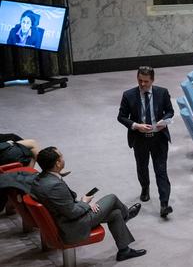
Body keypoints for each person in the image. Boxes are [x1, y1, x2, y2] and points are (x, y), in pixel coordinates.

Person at [31, 147, 145, 261]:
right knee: (112, 198)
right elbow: (72, 213)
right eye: (61, 157)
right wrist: (85, 203)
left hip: (62, 219)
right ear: (57, 163)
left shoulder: (39, 180)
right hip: (73, 224)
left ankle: (124, 251)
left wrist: (81, 203)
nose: (63, 158)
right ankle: (127, 215)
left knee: (115, 213)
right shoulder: (55, 185)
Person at [115, 66, 174, 218]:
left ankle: (164, 204)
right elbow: (121, 116)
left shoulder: (162, 92)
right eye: (140, 81)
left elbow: (170, 111)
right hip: (139, 138)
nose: (142, 84)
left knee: (161, 170)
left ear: (152, 80)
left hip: (159, 138)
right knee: (142, 167)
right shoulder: (128, 95)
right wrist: (136, 126)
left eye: (146, 81)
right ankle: (145, 188)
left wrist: (164, 120)